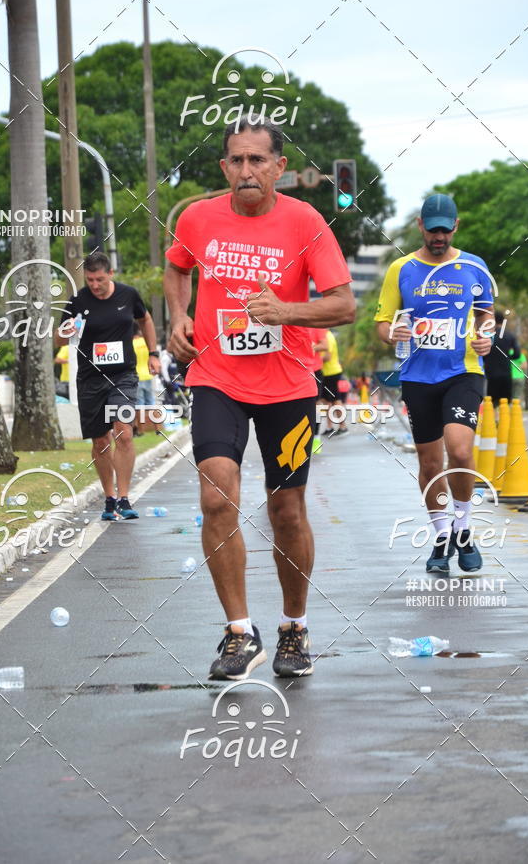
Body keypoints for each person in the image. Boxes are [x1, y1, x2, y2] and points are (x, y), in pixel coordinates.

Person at [164, 116, 355, 680]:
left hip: (289, 385)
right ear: (224, 167)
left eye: (257, 161)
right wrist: (177, 315)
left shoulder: (306, 221)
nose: (246, 170)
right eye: (236, 161)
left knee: (286, 510)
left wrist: (287, 311)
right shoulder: (197, 218)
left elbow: (343, 305)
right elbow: (177, 268)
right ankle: (239, 633)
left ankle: (293, 627)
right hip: (216, 377)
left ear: (279, 168)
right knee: (217, 498)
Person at [375, 193, 494, 574]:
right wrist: (394, 331)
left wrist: (485, 337)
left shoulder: (474, 267)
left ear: (455, 226)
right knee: (429, 461)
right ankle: (443, 536)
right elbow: (381, 324)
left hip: (464, 372)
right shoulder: (401, 269)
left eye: (446, 229)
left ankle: (463, 528)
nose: (439, 236)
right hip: (417, 376)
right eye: (433, 229)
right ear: (420, 226)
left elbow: (486, 315)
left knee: (459, 452)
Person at [56, 252, 160, 520]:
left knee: (123, 433)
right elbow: (58, 340)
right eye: (90, 279)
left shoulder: (128, 295)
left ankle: (125, 498)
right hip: (90, 380)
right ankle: (109, 498)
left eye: (99, 279)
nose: (95, 284)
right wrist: (65, 333)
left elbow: (145, 319)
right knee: (101, 441)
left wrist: (153, 352)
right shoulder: (78, 301)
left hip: (123, 377)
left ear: (110, 274)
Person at [483, 311, 520, 407]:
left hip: (491, 373)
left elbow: (483, 354)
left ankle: (493, 420)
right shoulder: (510, 335)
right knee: (505, 402)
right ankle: (504, 420)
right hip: (506, 372)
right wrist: (507, 357)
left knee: (492, 401)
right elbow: (517, 354)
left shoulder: (488, 336)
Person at [320, 329, 348, 436]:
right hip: (328, 372)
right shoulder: (325, 334)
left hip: (331, 372)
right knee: (327, 401)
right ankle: (329, 427)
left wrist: (314, 359)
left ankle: (343, 426)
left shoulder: (327, 336)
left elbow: (327, 356)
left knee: (336, 399)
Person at [310, 327, 328, 453]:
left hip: (314, 370)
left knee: (315, 406)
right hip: (296, 369)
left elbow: (324, 346)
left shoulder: (316, 325)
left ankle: (316, 438)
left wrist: (310, 347)